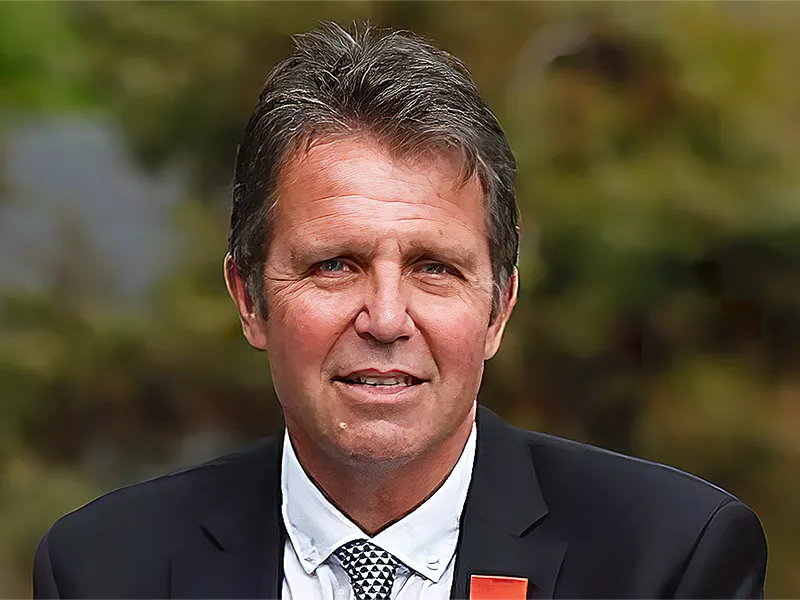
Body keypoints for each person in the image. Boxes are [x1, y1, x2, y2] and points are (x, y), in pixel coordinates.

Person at [33, 22, 767, 600]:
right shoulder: (102, 570)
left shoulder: (668, 560)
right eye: (335, 265)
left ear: (499, 309)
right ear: (249, 299)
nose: (386, 318)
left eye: (434, 268)